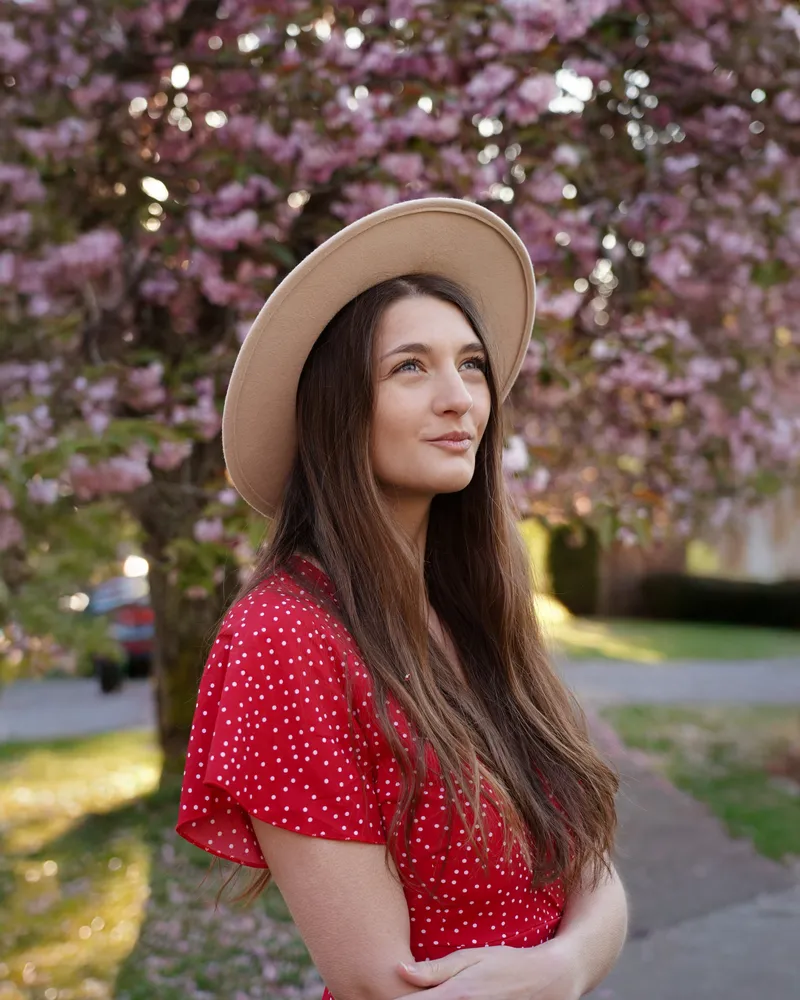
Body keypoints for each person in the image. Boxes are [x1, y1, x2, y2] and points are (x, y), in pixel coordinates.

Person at [176, 198, 627, 1000]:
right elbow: (384, 985)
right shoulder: (287, 634)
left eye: (472, 365)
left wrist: (564, 966)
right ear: (337, 407)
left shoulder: (472, 610)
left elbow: (593, 872)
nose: (460, 398)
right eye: (410, 367)